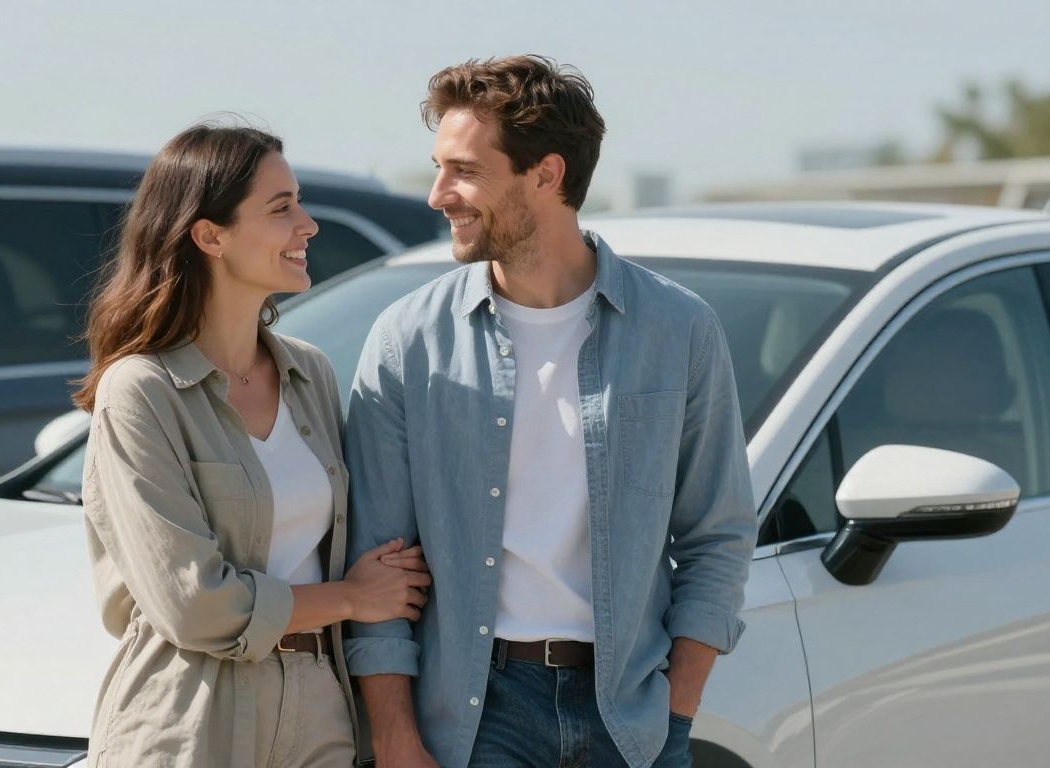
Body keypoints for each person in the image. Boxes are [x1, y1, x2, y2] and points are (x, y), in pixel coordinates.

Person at [343, 56, 757, 768]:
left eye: (464, 171)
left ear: (546, 174)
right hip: (474, 721)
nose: (439, 195)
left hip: (630, 718)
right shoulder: (408, 341)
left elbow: (718, 535)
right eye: (438, 169)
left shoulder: (679, 329)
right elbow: (377, 559)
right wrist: (395, 737)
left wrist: (675, 714)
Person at [74, 123, 430, 768]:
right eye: (281, 208)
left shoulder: (310, 372)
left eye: (299, 203)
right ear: (210, 237)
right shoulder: (141, 391)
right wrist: (351, 598)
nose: (308, 225)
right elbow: (193, 604)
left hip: (320, 712)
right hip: (191, 715)